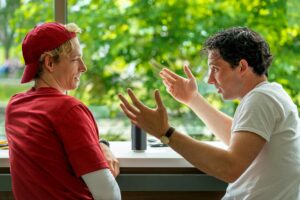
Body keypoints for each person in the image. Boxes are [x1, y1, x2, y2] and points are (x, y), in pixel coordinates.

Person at [118, 27, 300, 199]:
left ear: (242, 67)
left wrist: (165, 133)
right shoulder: (269, 94)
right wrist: (193, 99)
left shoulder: (261, 99)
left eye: (215, 69)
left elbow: (230, 167)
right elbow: (238, 139)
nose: (209, 79)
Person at [5, 22, 121, 200]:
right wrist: (101, 146)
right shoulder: (69, 110)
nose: (83, 67)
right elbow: (108, 194)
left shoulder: (15, 107)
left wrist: (101, 144)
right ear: (50, 63)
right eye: (76, 59)